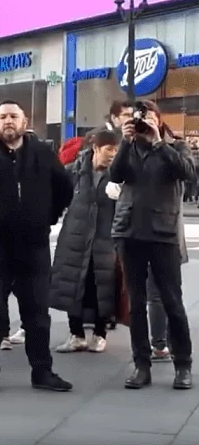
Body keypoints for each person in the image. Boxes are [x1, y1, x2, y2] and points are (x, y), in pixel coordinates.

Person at [0, 100, 74, 394]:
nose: (8, 121)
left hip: (34, 246)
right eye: (3, 116)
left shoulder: (42, 152)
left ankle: (42, 371)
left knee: (37, 313)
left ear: (24, 120)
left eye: (13, 116)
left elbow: (65, 189)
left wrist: (48, 218)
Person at [111, 99, 194, 390]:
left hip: (163, 234)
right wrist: (124, 141)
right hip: (130, 232)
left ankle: (183, 366)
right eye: (138, 117)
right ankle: (141, 365)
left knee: (172, 301)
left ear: (158, 118)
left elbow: (188, 174)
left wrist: (158, 143)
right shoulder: (130, 146)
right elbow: (115, 175)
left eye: (147, 116)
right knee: (135, 304)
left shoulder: (176, 146)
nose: (143, 121)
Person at [51, 129, 122, 354]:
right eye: (109, 149)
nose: (113, 154)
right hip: (75, 237)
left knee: (102, 286)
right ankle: (76, 335)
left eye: (116, 150)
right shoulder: (74, 172)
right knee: (74, 285)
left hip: (105, 239)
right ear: (96, 148)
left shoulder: (119, 175)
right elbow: (56, 199)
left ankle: (100, 334)